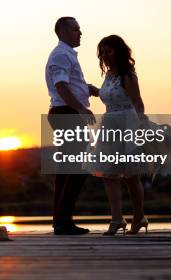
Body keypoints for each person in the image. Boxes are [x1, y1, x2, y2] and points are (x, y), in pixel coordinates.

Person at [45, 17, 99, 235]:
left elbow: (69, 84)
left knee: (68, 168)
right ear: (64, 31)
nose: (80, 33)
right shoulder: (61, 54)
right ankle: (63, 221)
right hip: (67, 113)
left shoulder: (65, 55)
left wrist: (88, 89)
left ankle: (61, 221)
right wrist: (80, 109)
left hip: (64, 112)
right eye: (76, 29)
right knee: (77, 167)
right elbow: (61, 86)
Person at [91, 35, 149, 235]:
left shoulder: (128, 76)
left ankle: (139, 216)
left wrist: (141, 127)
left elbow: (137, 102)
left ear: (119, 52)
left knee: (131, 177)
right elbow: (111, 96)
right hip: (109, 125)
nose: (105, 56)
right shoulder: (108, 76)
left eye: (109, 51)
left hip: (127, 125)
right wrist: (95, 91)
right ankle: (117, 219)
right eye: (102, 52)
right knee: (109, 175)